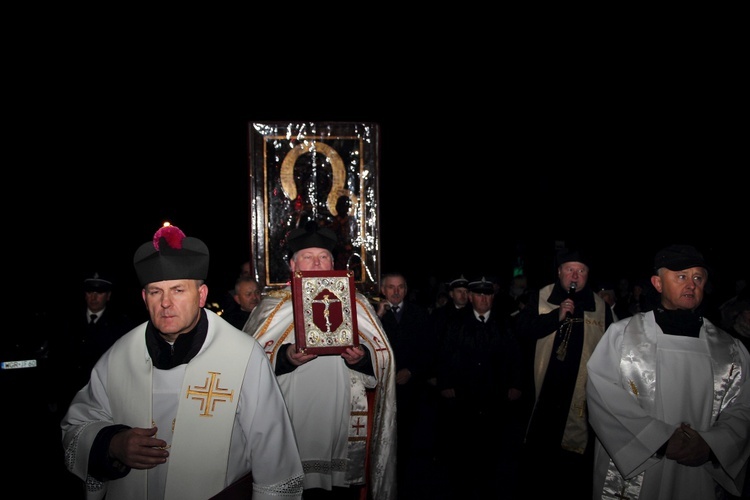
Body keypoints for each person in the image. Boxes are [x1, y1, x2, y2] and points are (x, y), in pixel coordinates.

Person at [60, 224, 304, 500]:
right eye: (155, 292)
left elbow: (274, 455)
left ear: (201, 296)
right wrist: (112, 444)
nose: (165, 303)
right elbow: (75, 427)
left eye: (177, 290)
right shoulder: (119, 357)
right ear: (144, 298)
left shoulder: (244, 356)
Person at [243, 223, 397, 500]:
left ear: (332, 262)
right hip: (288, 417)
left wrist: (361, 359)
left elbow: (382, 358)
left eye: (323, 256)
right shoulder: (271, 306)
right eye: (307, 256)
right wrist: (285, 357)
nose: (316, 262)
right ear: (293, 264)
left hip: (340, 418)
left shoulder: (357, 302)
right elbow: (246, 362)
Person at [587, 244, 750, 499]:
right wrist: (658, 440)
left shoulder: (729, 349)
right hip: (643, 468)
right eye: (681, 276)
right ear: (658, 283)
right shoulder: (623, 335)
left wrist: (711, 446)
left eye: (698, 277)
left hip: (700, 475)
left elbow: (743, 407)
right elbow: (603, 395)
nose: (691, 284)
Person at [515, 248, 613, 499]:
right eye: (570, 269)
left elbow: (611, 353)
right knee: (539, 456)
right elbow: (522, 332)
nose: (575, 275)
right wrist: (555, 317)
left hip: (580, 395)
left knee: (572, 465)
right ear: (559, 272)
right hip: (544, 390)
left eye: (581, 271)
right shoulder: (541, 296)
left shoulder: (600, 307)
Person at [435, 276, 524, 499]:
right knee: (463, 444)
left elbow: (515, 355)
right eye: (479, 295)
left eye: (488, 295)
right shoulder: (456, 322)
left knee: (493, 444)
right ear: (471, 298)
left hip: (495, 394)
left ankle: (489, 485)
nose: (483, 299)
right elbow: (445, 353)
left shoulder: (504, 322)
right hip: (465, 395)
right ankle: (462, 486)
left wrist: (515, 384)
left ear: (493, 297)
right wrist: (445, 383)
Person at [375, 271, 430, 498]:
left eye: (400, 287)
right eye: (391, 287)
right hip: (381, 387)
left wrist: (412, 371)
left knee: (408, 438)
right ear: (383, 290)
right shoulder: (373, 315)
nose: (395, 292)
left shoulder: (419, 314)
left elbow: (428, 349)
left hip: (410, 389)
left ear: (406, 290)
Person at [52, 272, 138, 416]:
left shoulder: (121, 325)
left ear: (108, 296)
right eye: (90, 291)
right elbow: (57, 358)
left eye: (99, 292)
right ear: (85, 294)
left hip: (102, 396)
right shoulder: (68, 323)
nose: (94, 297)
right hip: (69, 394)